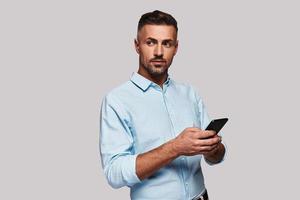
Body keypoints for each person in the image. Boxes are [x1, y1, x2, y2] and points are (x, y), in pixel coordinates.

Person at [99, 10, 226, 200]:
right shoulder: (117, 100)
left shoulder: (190, 93)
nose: (159, 52)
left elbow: (215, 158)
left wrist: (214, 149)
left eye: (167, 43)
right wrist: (175, 147)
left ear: (176, 48)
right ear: (137, 45)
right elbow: (114, 173)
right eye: (151, 42)